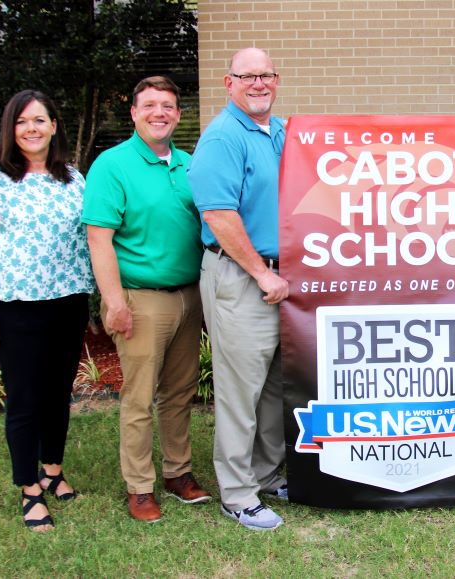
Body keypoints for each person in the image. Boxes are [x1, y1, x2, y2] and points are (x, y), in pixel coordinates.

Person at [0, 90, 94, 532]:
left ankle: (52, 471)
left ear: (55, 125)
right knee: (24, 400)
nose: (32, 129)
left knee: (58, 393)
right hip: (15, 308)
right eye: (22, 122)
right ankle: (29, 490)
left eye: (40, 120)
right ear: (10, 130)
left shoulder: (74, 178)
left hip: (69, 302)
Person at [83, 76, 211, 523]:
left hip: (189, 295)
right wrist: (114, 301)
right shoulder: (112, 165)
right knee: (139, 398)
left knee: (180, 393)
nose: (160, 113)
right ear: (134, 113)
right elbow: (99, 238)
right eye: (150, 105)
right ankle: (140, 486)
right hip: (140, 299)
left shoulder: (187, 164)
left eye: (169, 106)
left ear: (178, 114)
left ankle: (178, 473)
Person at [187, 47, 287, 531]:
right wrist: (262, 272)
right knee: (239, 391)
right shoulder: (223, 137)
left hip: (281, 278)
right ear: (229, 83)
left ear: (277, 79)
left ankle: (266, 476)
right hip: (242, 277)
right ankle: (237, 493)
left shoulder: (281, 131)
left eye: (265, 74)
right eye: (247, 76)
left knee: (272, 389)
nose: (258, 83)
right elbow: (218, 215)